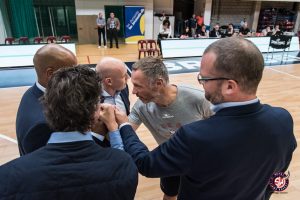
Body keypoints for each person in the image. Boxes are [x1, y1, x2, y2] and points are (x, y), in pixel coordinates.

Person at [103, 37, 297, 199]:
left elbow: (146, 164)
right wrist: (266, 195)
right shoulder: (283, 119)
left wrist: (124, 126)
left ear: (230, 86)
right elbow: (280, 171)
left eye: (204, 79)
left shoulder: (194, 136)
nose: (202, 84)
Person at [0, 66, 138, 200]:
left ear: (47, 108)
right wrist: (113, 129)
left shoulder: (6, 176)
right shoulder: (123, 166)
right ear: (95, 111)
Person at [124, 57, 212, 200]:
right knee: (169, 194)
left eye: (138, 86)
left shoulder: (199, 99)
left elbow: (220, 126)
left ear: (159, 83)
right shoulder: (140, 107)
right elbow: (126, 132)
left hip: (200, 161)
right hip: (170, 160)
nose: (133, 91)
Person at [16, 44, 77, 156]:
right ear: (50, 73)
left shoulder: (31, 93)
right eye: (71, 72)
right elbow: (50, 167)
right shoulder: (43, 126)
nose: (76, 76)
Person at [93, 57, 130, 147]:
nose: (128, 78)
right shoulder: (92, 100)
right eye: (123, 76)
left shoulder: (124, 88)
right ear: (109, 81)